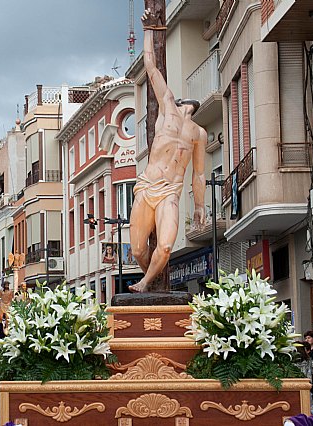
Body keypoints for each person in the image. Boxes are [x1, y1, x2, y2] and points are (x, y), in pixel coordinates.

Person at [128, 9, 206, 293]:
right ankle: (152, 281)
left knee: (165, 244)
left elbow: (199, 174)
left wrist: (199, 206)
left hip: (170, 193)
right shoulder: (167, 107)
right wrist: (149, 30)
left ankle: (146, 283)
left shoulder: (199, 133)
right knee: (137, 249)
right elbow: (150, 65)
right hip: (147, 187)